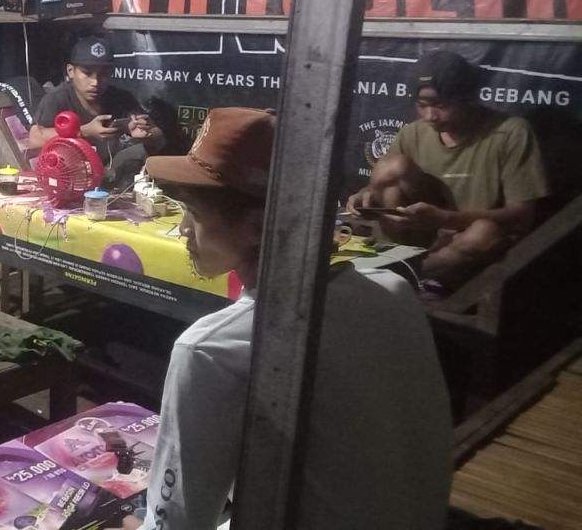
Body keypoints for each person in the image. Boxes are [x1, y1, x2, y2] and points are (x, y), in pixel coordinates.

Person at [126, 107, 452, 530]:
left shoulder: (210, 349)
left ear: (257, 226)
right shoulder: (393, 289)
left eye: (195, 213)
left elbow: (177, 525)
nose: (183, 229)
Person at [347, 51, 549, 291]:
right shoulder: (413, 133)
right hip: (422, 234)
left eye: (442, 105)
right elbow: (379, 185)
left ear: (467, 98)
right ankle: (398, 262)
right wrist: (365, 195)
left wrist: (446, 218)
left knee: (484, 233)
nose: (430, 116)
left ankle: (411, 274)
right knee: (391, 167)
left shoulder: (511, 132)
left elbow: (522, 214)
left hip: (467, 239)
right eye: (422, 105)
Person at [29, 35, 167, 184]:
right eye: (87, 73)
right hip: (70, 181)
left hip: (115, 178)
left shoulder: (121, 98)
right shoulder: (57, 100)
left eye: (103, 74)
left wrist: (145, 135)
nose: (95, 82)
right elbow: (34, 139)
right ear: (70, 71)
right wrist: (83, 131)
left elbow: (159, 138)